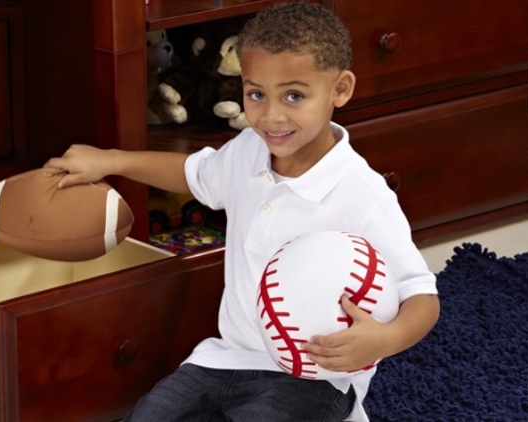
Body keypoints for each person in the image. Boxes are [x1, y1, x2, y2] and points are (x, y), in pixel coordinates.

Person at [46, 3, 440, 421]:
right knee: (149, 415)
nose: (271, 116)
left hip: (312, 377)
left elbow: (421, 293)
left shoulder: (362, 194)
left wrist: (385, 338)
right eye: (256, 94)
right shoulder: (249, 149)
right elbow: (192, 172)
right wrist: (110, 160)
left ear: (339, 90)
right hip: (223, 359)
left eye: (294, 95)